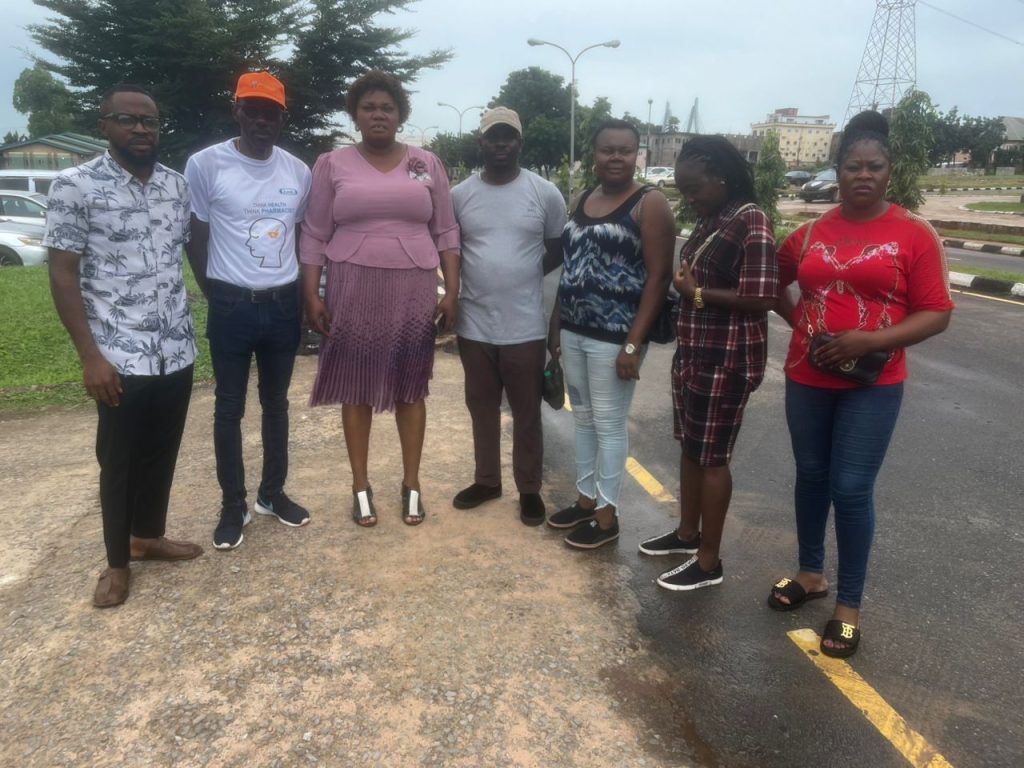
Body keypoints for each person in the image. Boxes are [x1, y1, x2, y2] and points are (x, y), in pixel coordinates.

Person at [766, 110, 953, 658]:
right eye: (853, 166)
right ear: (839, 171)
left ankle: (848, 605)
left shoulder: (913, 233)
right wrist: (802, 325)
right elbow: (773, 283)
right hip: (806, 377)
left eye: (874, 167)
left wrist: (868, 342)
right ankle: (810, 573)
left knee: (850, 487)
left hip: (875, 383)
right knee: (811, 475)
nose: (863, 175)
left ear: (889, 172)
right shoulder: (809, 233)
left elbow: (937, 312)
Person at [45, 84, 202, 608]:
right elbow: (63, 273)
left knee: (161, 451)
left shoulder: (176, 187)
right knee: (118, 461)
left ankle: (147, 537)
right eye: (127, 120)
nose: (140, 129)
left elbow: (182, 258)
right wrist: (90, 356)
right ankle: (116, 563)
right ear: (104, 126)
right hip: (117, 354)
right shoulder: (75, 186)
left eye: (149, 121)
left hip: (175, 348)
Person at [299, 70, 460, 527]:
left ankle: (412, 483)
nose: (378, 115)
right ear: (355, 114)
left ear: (400, 114)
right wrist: (311, 293)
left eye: (387, 108)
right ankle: (360, 485)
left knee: (411, 384)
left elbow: (446, 230)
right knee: (356, 382)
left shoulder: (426, 163)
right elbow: (314, 232)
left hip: (413, 286)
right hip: (352, 284)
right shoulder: (331, 164)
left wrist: (453, 290)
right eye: (368, 107)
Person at [639, 136, 779, 591]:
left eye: (695, 189)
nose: (689, 199)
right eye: (683, 191)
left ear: (722, 177)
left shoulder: (750, 220)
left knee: (713, 458)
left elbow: (762, 296)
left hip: (727, 358)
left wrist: (695, 293)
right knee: (690, 448)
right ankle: (687, 535)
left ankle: (709, 561)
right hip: (695, 354)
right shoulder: (711, 219)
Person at [185, 71, 313, 551]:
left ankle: (272, 494)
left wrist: (301, 298)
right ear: (236, 111)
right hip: (232, 306)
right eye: (252, 110)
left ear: (283, 118)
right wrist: (215, 291)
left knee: (276, 403)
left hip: (282, 305)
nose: (261, 121)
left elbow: (299, 236)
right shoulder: (205, 165)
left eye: (271, 113)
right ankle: (232, 504)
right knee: (229, 407)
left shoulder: (297, 172)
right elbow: (196, 236)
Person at [546, 119, 675, 549]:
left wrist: (633, 344)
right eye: (607, 150)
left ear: (638, 154)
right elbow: (571, 267)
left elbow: (659, 277)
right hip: (574, 329)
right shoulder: (584, 198)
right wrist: (555, 324)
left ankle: (607, 517)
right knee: (583, 418)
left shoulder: (649, 203)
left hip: (615, 336)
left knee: (609, 423)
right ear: (595, 154)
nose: (616, 157)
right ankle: (585, 500)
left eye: (625, 150)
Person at [450, 107, 567, 526]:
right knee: (481, 406)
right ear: (480, 142)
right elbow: (450, 251)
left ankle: (529, 489)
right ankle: (487, 480)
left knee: (527, 412)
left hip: (525, 325)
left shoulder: (545, 193)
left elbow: (557, 249)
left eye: (508, 137)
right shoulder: (459, 195)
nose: (501, 144)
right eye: (493, 137)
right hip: (474, 323)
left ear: (520, 143)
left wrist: (521, 273)